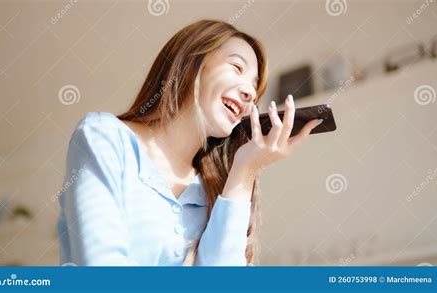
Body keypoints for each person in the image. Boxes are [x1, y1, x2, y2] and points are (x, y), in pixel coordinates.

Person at [57, 19, 322, 266]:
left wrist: (245, 170)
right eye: (237, 68)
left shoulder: (208, 190)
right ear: (191, 63)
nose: (250, 92)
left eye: (254, 88)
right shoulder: (104, 136)